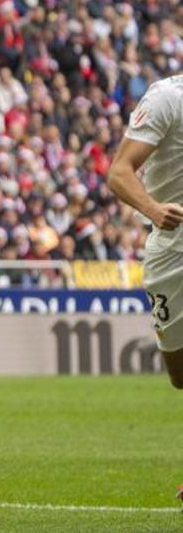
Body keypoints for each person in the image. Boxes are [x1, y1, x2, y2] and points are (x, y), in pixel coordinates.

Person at [108, 74, 183, 390]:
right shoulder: (167, 97)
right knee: (180, 375)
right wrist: (153, 209)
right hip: (172, 250)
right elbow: (118, 172)